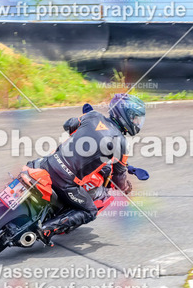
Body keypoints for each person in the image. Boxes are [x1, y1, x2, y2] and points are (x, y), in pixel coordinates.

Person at [38, 94, 146, 240]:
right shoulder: (121, 143)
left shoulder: (93, 115)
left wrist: (85, 126)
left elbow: (68, 124)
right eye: (135, 118)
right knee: (90, 211)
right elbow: (118, 178)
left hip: (47, 164)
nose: (137, 123)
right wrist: (125, 188)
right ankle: (45, 229)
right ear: (125, 115)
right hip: (66, 181)